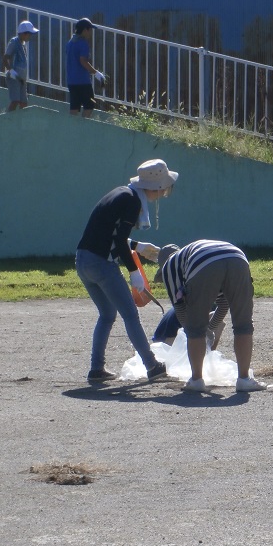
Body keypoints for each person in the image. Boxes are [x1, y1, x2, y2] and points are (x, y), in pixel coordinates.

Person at [75, 159, 177, 383]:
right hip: (101, 263)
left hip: (83, 261)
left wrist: (138, 247)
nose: (163, 193)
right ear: (155, 186)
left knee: (107, 315)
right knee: (130, 315)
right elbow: (119, 240)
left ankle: (96, 368)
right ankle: (152, 366)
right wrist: (134, 272)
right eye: (162, 188)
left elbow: (109, 234)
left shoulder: (122, 193)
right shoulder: (132, 201)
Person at [156, 240, 267, 392]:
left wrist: (195, 334)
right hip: (238, 258)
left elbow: (180, 309)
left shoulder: (169, 267)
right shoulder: (188, 255)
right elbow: (224, 304)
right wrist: (210, 331)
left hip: (205, 264)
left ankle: (196, 380)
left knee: (195, 328)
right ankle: (244, 379)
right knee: (243, 324)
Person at [65, 18, 104, 118]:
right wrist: (96, 73)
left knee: (74, 108)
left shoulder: (70, 43)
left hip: (71, 81)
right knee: (89, 106)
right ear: (85, 30)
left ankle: (72, 126)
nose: (91, 32)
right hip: (83, 81)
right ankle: (83, 126)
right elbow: (83, 61)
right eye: (90, 29)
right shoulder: (83, 43)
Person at [3, 20, 38, 112]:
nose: (30, 36)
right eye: (29, 34)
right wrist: (12, 72)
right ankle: (8, 118)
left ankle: (20, 120)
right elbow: (5, 58)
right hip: (14, 77)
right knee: (15, 101)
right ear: (23, 33)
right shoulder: (14, 42)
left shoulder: (23, 44)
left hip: (21, 79)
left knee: (24, 102)